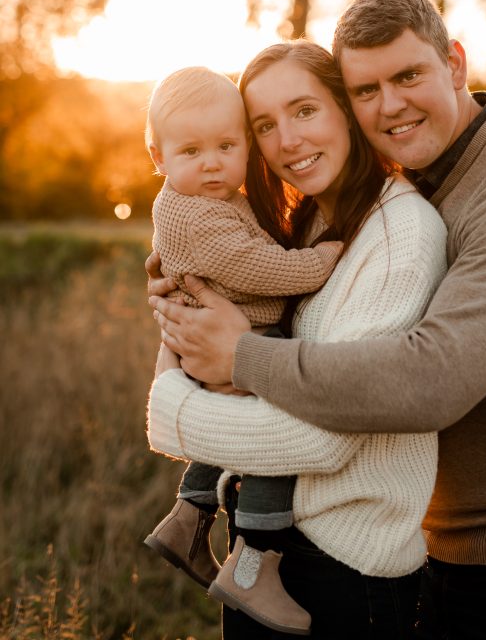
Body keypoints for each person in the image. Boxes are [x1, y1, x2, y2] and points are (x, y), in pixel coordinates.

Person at [149, 0, 486, 640]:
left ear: (455, 65)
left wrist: (190, 390)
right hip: (430, 532)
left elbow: (425, 382)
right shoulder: (348, 203)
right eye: (366, 89)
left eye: (407, 76)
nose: (389, 106)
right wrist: (182, 305)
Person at [147, 41, 448, 639]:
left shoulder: (400, 236)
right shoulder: (308, 220)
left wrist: (169, 403)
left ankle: (192, 509)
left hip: (345, 568)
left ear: (346, 110)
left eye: (305, 110)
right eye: (264, 125)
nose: (286, 140)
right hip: (272, 544)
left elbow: (323, 438)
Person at [143, 65, 344, 634]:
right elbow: (260, 267)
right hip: (242, 339)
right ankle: (254, 564)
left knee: (237, 432)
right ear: (156, 156)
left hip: (227, 332)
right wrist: (327, 258)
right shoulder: (194, 215)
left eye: (226, 146)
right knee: (270, 445)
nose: (212, 163)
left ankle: (187, 519)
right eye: (191, 150)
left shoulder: (213, 198)